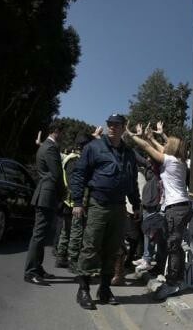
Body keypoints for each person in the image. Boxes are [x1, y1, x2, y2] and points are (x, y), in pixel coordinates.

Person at [70, 114, 141, 310]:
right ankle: (83, 289)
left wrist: (136, 205)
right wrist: (77, 201)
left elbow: (132, 182)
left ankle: (105, 289)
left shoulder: (128, 153)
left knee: (113, 249)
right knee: (90, 246)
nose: (112, 127)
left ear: (123, 128)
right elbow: (79, 174)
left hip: (119, 207)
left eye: (116, 125)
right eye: (109, 124)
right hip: (98, 204)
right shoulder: (94, 147)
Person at [127, 122, 192, 299]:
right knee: (174, 245)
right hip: (180, 208)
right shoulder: (178, 160)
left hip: (176, 209)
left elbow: (149, 148)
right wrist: (152, 137)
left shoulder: (170, 160)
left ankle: (173, 283)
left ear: (170, 148)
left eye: (166, 144)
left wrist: (132, 136)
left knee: (172, 245)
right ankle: (177, 278)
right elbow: (156, 146)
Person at [24, 121, 65, 286]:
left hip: (45, 194)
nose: (63, 136)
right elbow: (56, 174)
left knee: (41, 234)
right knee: (39, 235)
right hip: (47, 195)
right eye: (62, 132)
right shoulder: (50, 148)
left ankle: (37, 268)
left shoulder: (46, 146)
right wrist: (63, 192)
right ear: (56, 131)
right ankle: (30, 272)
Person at [54, 132, 94, 269]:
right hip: (73, 201)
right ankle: (73, 259)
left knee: (66, 231)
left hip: (69, 200)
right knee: (75, 231)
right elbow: (74, 182)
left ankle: (61, 256)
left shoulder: (72, 158)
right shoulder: (75, 160)